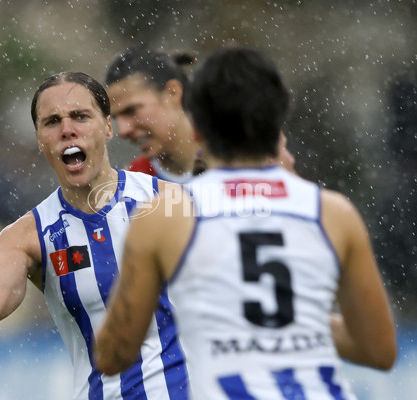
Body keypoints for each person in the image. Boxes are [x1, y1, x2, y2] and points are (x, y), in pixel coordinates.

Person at [94, 47, 396, 398]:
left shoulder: (161, 215)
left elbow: (113, 354)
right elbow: (379, 350)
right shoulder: (334, 212)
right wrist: (284, 314)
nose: (125, 128)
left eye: (132, 111)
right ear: (277, 123)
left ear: (199, 130)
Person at [0, 71, 188, 399]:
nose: (67, 129)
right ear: (39, 138)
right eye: (52, 121)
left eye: (80, 116)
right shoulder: (30, 235)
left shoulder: (175, 203)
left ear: (107, 127)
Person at [105, 45, 200, 183]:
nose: (123, 130)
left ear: (172, 93)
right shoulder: (131, 185)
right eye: (115, 118)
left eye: (131, 110)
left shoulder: (236, 161)